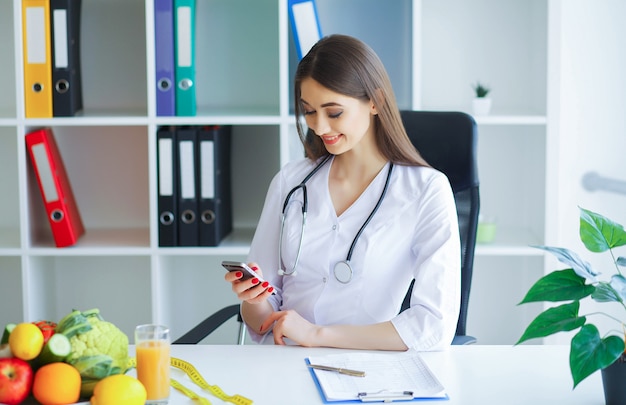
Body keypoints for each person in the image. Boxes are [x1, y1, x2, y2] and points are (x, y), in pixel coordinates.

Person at [225, 34, 460, 351]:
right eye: (309, 111)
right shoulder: (290, 183)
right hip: (283, 363)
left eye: (333, 113)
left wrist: (316, 335)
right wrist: (253, 302)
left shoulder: (426, 191)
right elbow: (262, 319)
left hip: (368, 370)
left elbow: (434, 325)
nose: (320, 128)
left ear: (374, 101)